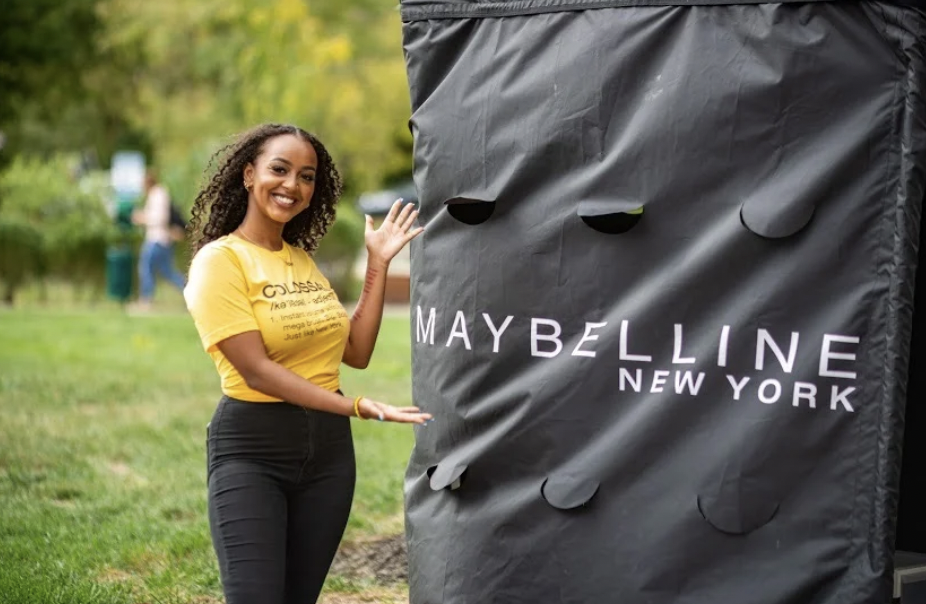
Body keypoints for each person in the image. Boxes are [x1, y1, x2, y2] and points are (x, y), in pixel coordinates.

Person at [183, 123, 431, 604]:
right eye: (280, 169)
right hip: (253, 451)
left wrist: (377, 263)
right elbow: (256, 370)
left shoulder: (300, 260)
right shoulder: (221, 261)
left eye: (307, 176)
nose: (292, 185)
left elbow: (355, 351)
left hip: (329, 459)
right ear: (249, 174)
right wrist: (356, 407)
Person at [132, 169, 186, 311]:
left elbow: (159, 218)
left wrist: (142, 218)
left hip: (157, 239)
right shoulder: (156, 194)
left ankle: (146, 301)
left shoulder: (158, 194)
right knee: (168, 272)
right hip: (162, 239)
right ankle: (192, 294)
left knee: (145, 267)